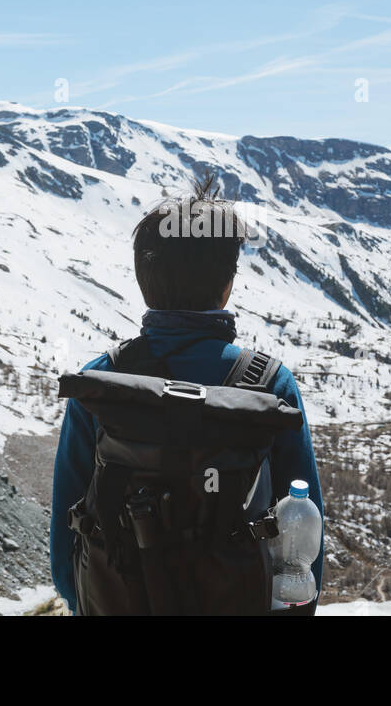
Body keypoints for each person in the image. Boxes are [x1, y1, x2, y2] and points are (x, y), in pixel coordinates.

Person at [50, 176, 324, 615]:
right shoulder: (270, 384)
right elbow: (305, 535)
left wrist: (85, 600)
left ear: (143, 279)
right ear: (227, 284)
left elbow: (67, 527)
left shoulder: (102, 380)